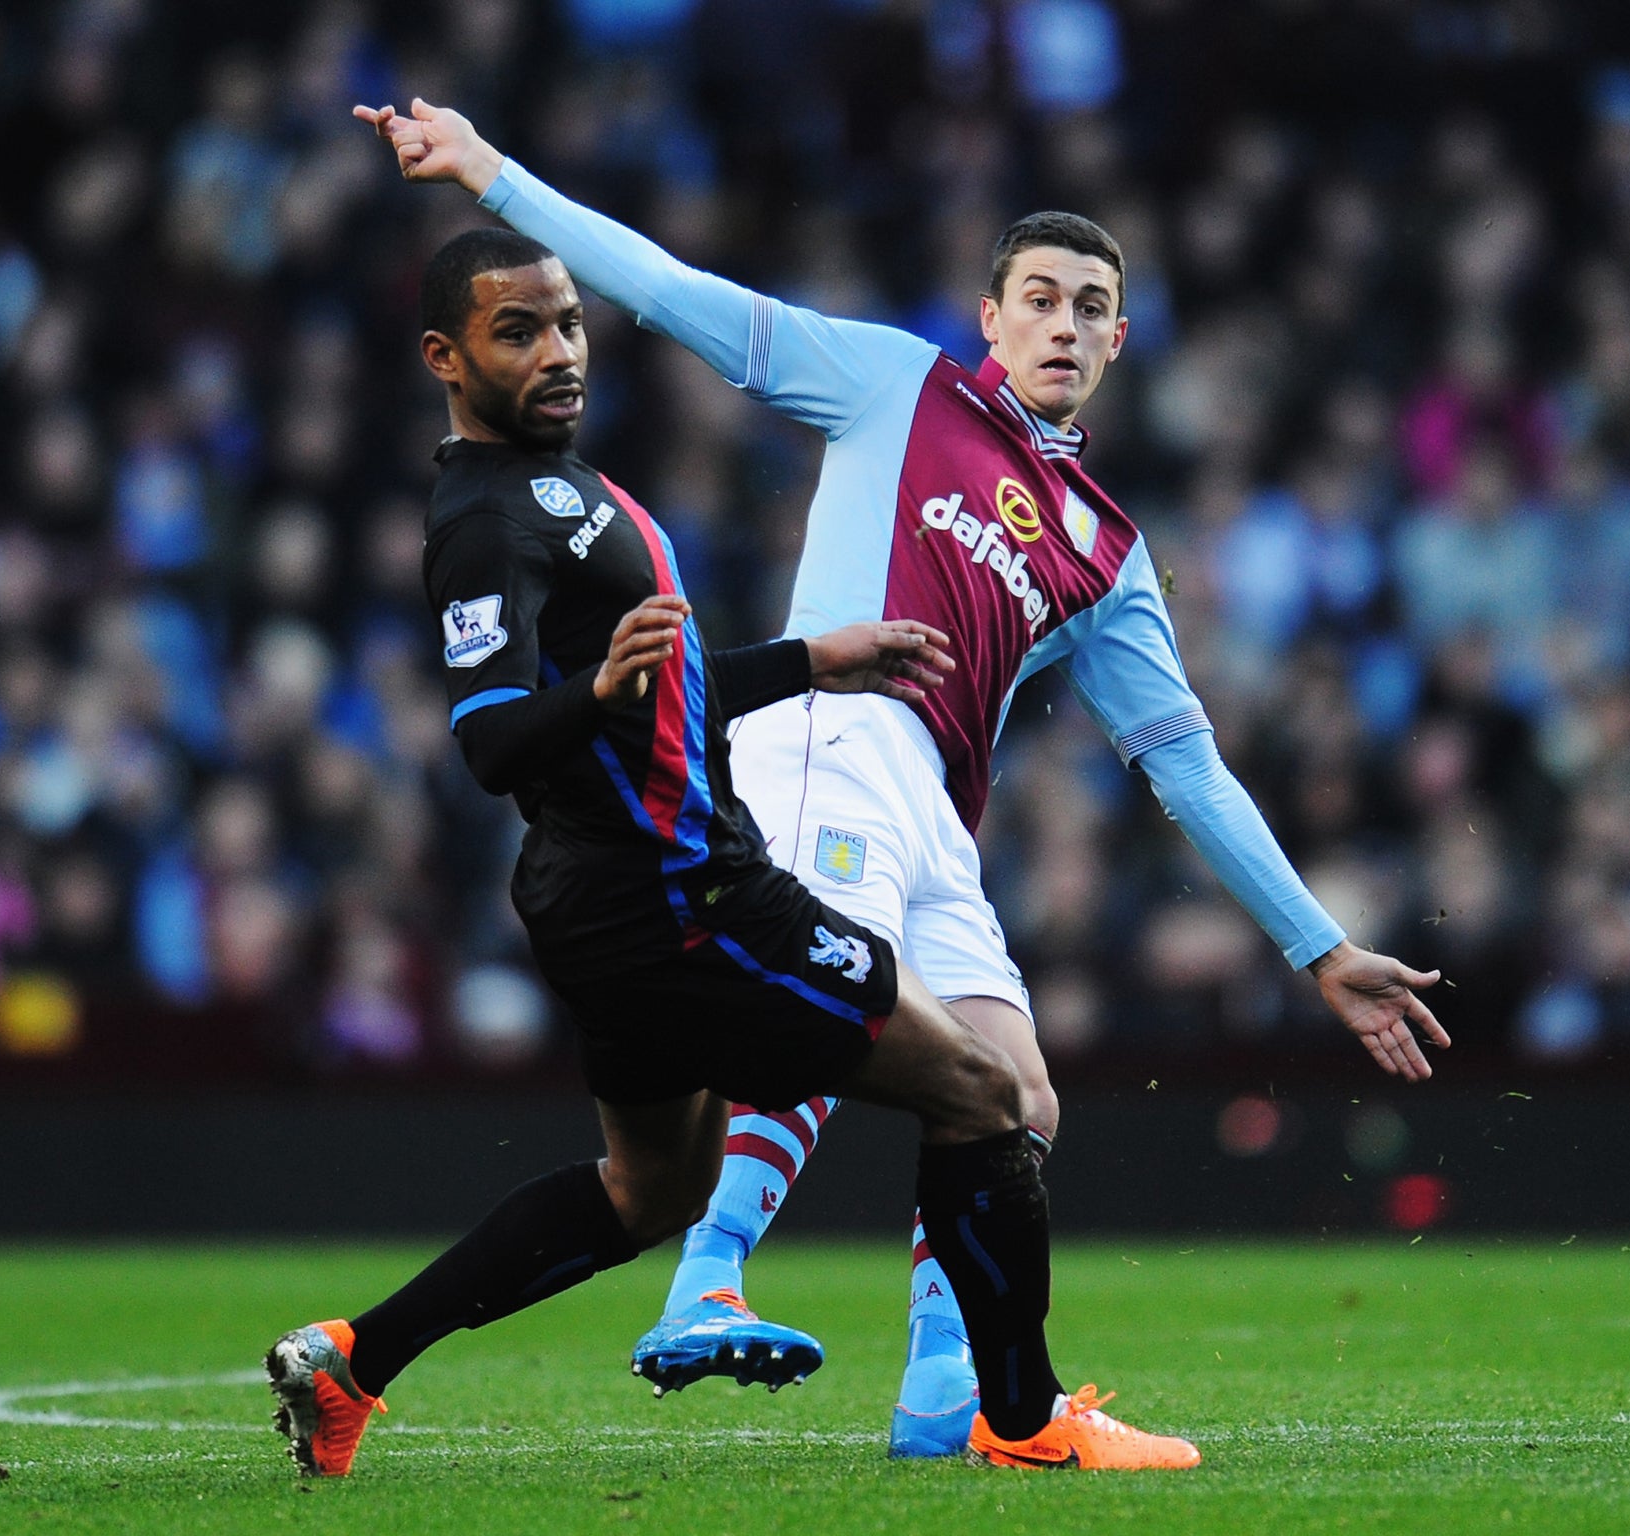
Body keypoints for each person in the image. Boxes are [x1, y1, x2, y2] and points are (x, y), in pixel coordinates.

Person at [358, 97, 1448, 1461]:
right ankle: (708, 1283)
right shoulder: (894, 383)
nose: (1064, 323)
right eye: (1038, 298)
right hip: (825, 738)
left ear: (1118, 344)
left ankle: (947, 1393)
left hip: (937, 805)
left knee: (1016, 1092)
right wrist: (493, 174)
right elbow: (674, 292)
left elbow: (1188, 767)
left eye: (1092, 306)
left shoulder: (1107, 554)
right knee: (842, 1010)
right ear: (987, 319)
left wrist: (1317, 946)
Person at [263, 223, 1202, 1477]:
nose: (558, 352)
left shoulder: (563, 487)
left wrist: (807, 661)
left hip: (604, 898)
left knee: (646, 1189)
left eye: (567, 324)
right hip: (685, 894)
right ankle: (1022, 1424)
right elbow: (489, 738)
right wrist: (597, 689)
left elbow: (662, 691)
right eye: (517, 331)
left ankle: (353, 1363)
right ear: (445, 356)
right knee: (983, 1095)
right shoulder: (484, 521)